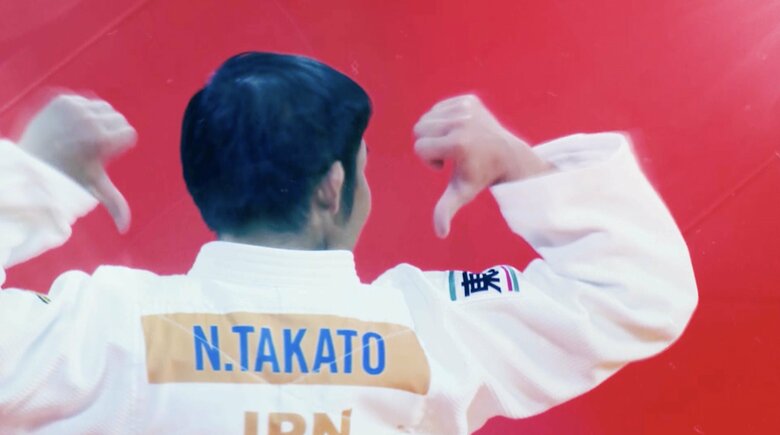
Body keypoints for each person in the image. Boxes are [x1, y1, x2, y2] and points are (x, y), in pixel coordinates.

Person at [0, 52, 698, 434]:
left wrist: (34, 177)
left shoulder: (101, 331)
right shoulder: (428, 332)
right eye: (363, 165)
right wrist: (520, 164)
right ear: (333, 186)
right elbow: (640, 295)